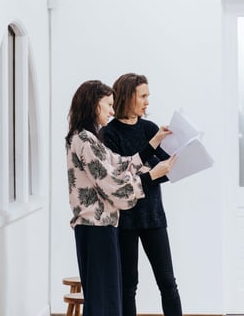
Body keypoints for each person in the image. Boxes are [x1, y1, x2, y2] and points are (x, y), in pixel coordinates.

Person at [65, 80, 177, 316]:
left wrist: (153, 143)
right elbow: (114, 185)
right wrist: (150, 177)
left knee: (107, 299)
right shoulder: (85, 140)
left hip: (102, 226)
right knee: (104, 302)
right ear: (94, 105)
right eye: (108, 104)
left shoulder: (89, 138)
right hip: (95, 227)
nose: (112, 110)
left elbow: (120, 164)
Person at [102, 73, 183, 316]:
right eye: (143, 96)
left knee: (168, 282)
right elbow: (118, 178)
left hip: (153, 217)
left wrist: (151, 173)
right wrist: (149, 172)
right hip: (124, 220)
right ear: (128, 97)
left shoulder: (150, 128)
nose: (148, 101)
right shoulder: (109, 134)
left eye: (148, 96)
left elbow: (167, 172)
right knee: (128, 286)